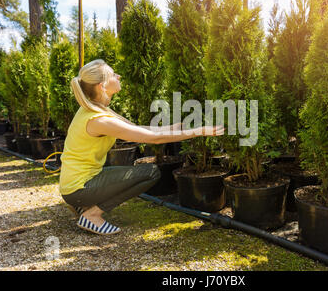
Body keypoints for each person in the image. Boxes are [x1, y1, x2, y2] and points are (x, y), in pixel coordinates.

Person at [59, 59, 224, 235]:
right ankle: (92, 215)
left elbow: (137, 129)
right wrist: (199, 131)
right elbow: (152, 138)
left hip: (78, 183)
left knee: (136, 172)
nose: (118, 76)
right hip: (79, 186)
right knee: (150, 173)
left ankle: (83, 205)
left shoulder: (94, 109)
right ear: (102, 86)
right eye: (113, 74)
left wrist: (178, 126)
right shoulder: (99, 120)